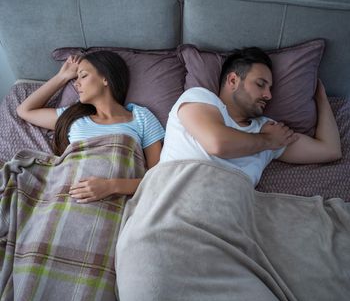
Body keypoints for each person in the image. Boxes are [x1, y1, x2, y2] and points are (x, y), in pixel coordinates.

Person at [160, 47, 341, 186]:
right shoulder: (199, 98)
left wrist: (321, 98)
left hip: (227, 214)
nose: (268, 95)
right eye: (260, 84)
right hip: (175, 198)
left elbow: (330, 150)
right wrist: (268, 141)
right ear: (233, 80)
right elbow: (217, 144)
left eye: (270, 89)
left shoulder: (267, 129)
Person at [17, 51, 164, 202]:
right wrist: (62, 76)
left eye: (83, 75)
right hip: (70, 195)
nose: (76, 83)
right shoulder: (73, 117)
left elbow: (158, 178)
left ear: (105, 78)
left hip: (119, 199)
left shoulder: (141, 117)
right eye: (76, 77)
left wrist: (111, 186)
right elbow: (24, 110)